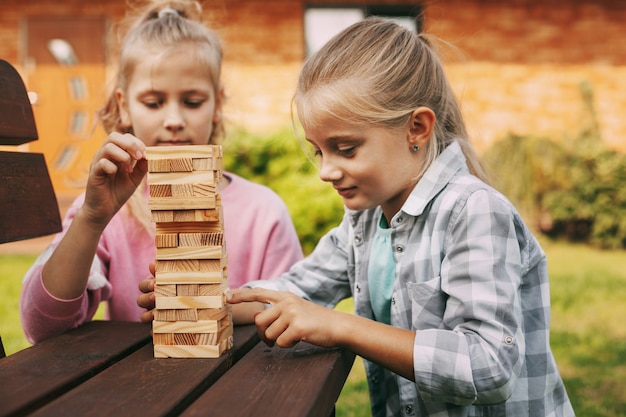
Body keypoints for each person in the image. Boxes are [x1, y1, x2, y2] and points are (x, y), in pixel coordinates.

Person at [138, 17, 575, 417]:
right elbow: (297, 289)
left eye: (345, 149)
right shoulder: (366, 222)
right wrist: (203, 300)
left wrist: (344, 327)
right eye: (318, 151)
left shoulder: (474, 212)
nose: (327, 171)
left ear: (416, 129)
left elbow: (489, 366)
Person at [20, 0, 303, 344]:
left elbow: (293, 315)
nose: (173, 120)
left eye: (193, 101)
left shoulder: (263, 211)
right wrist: (93, 218)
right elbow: (42, 326)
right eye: (153, 103)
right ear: (124, 105)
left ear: (217, 104)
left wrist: (204, 305)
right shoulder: (106, 212)